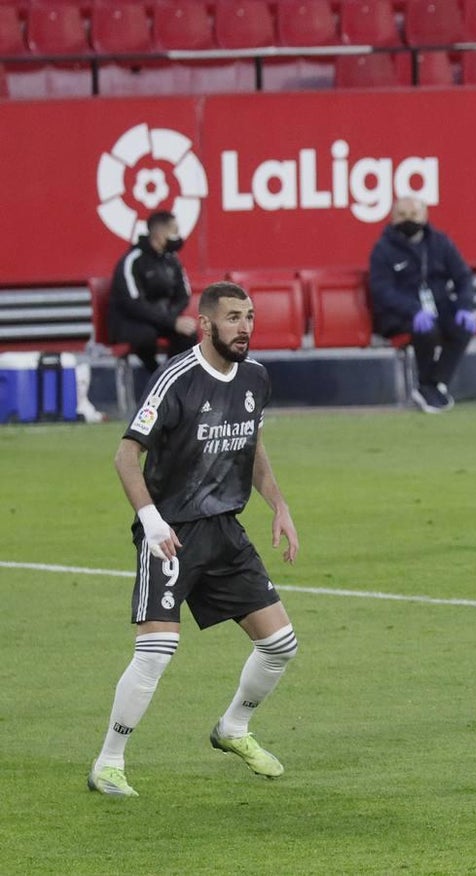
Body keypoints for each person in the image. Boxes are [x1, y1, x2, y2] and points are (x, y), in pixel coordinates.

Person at [88, 281, 301, 798]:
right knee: (157, 650)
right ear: (205, 324)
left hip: (225, 530)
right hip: (172, 534)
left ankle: (233, 728)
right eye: (232, 317)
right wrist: (152, 520)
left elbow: (251, 444)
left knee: (280, 645)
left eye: (249, 316)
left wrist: (279, 505)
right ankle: (108, 763)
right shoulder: (176, 380)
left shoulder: (255, 377)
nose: (244, 326)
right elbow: (125, 455)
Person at [368, 196, 476, 413]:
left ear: (425, 216)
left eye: (414, 215)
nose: (408, 220)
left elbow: (463, 277)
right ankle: (425, 385)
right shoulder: (382, 250)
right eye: (402, 215)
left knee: (462, 328)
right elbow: (382, 291)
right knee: (426, 331)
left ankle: (436, 384)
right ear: (392, 218)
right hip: (401, 314)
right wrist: (413, 309)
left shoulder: (440, 243)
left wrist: (466, 306)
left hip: (438, 306)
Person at [109, 210, 198, 374]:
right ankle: (155, 375)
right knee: (146, 336)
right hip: (132, 322)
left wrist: (172, 317)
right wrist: (170, 321)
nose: (177, 237)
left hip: (162, 320)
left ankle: (174, 377)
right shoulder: (133, 260)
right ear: (158, 233)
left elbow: (183, 295)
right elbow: (133, 304)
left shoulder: (172, 260)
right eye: (174, 232)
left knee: (188, 333)